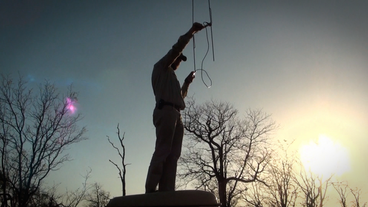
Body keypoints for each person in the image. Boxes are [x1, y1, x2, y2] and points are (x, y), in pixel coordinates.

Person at [145, 22, 205, 193]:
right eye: (178, 58)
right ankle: (150, 190)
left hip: (176, 114)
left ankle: (166, 192)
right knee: (163, 150)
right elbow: (176, 49)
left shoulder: (172, 77)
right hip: (165, 112)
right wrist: (192, 31)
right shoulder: (161, 68)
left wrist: (187, 83)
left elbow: (178, 97)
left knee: (173, 155)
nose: (179, 61)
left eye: (180, 60)